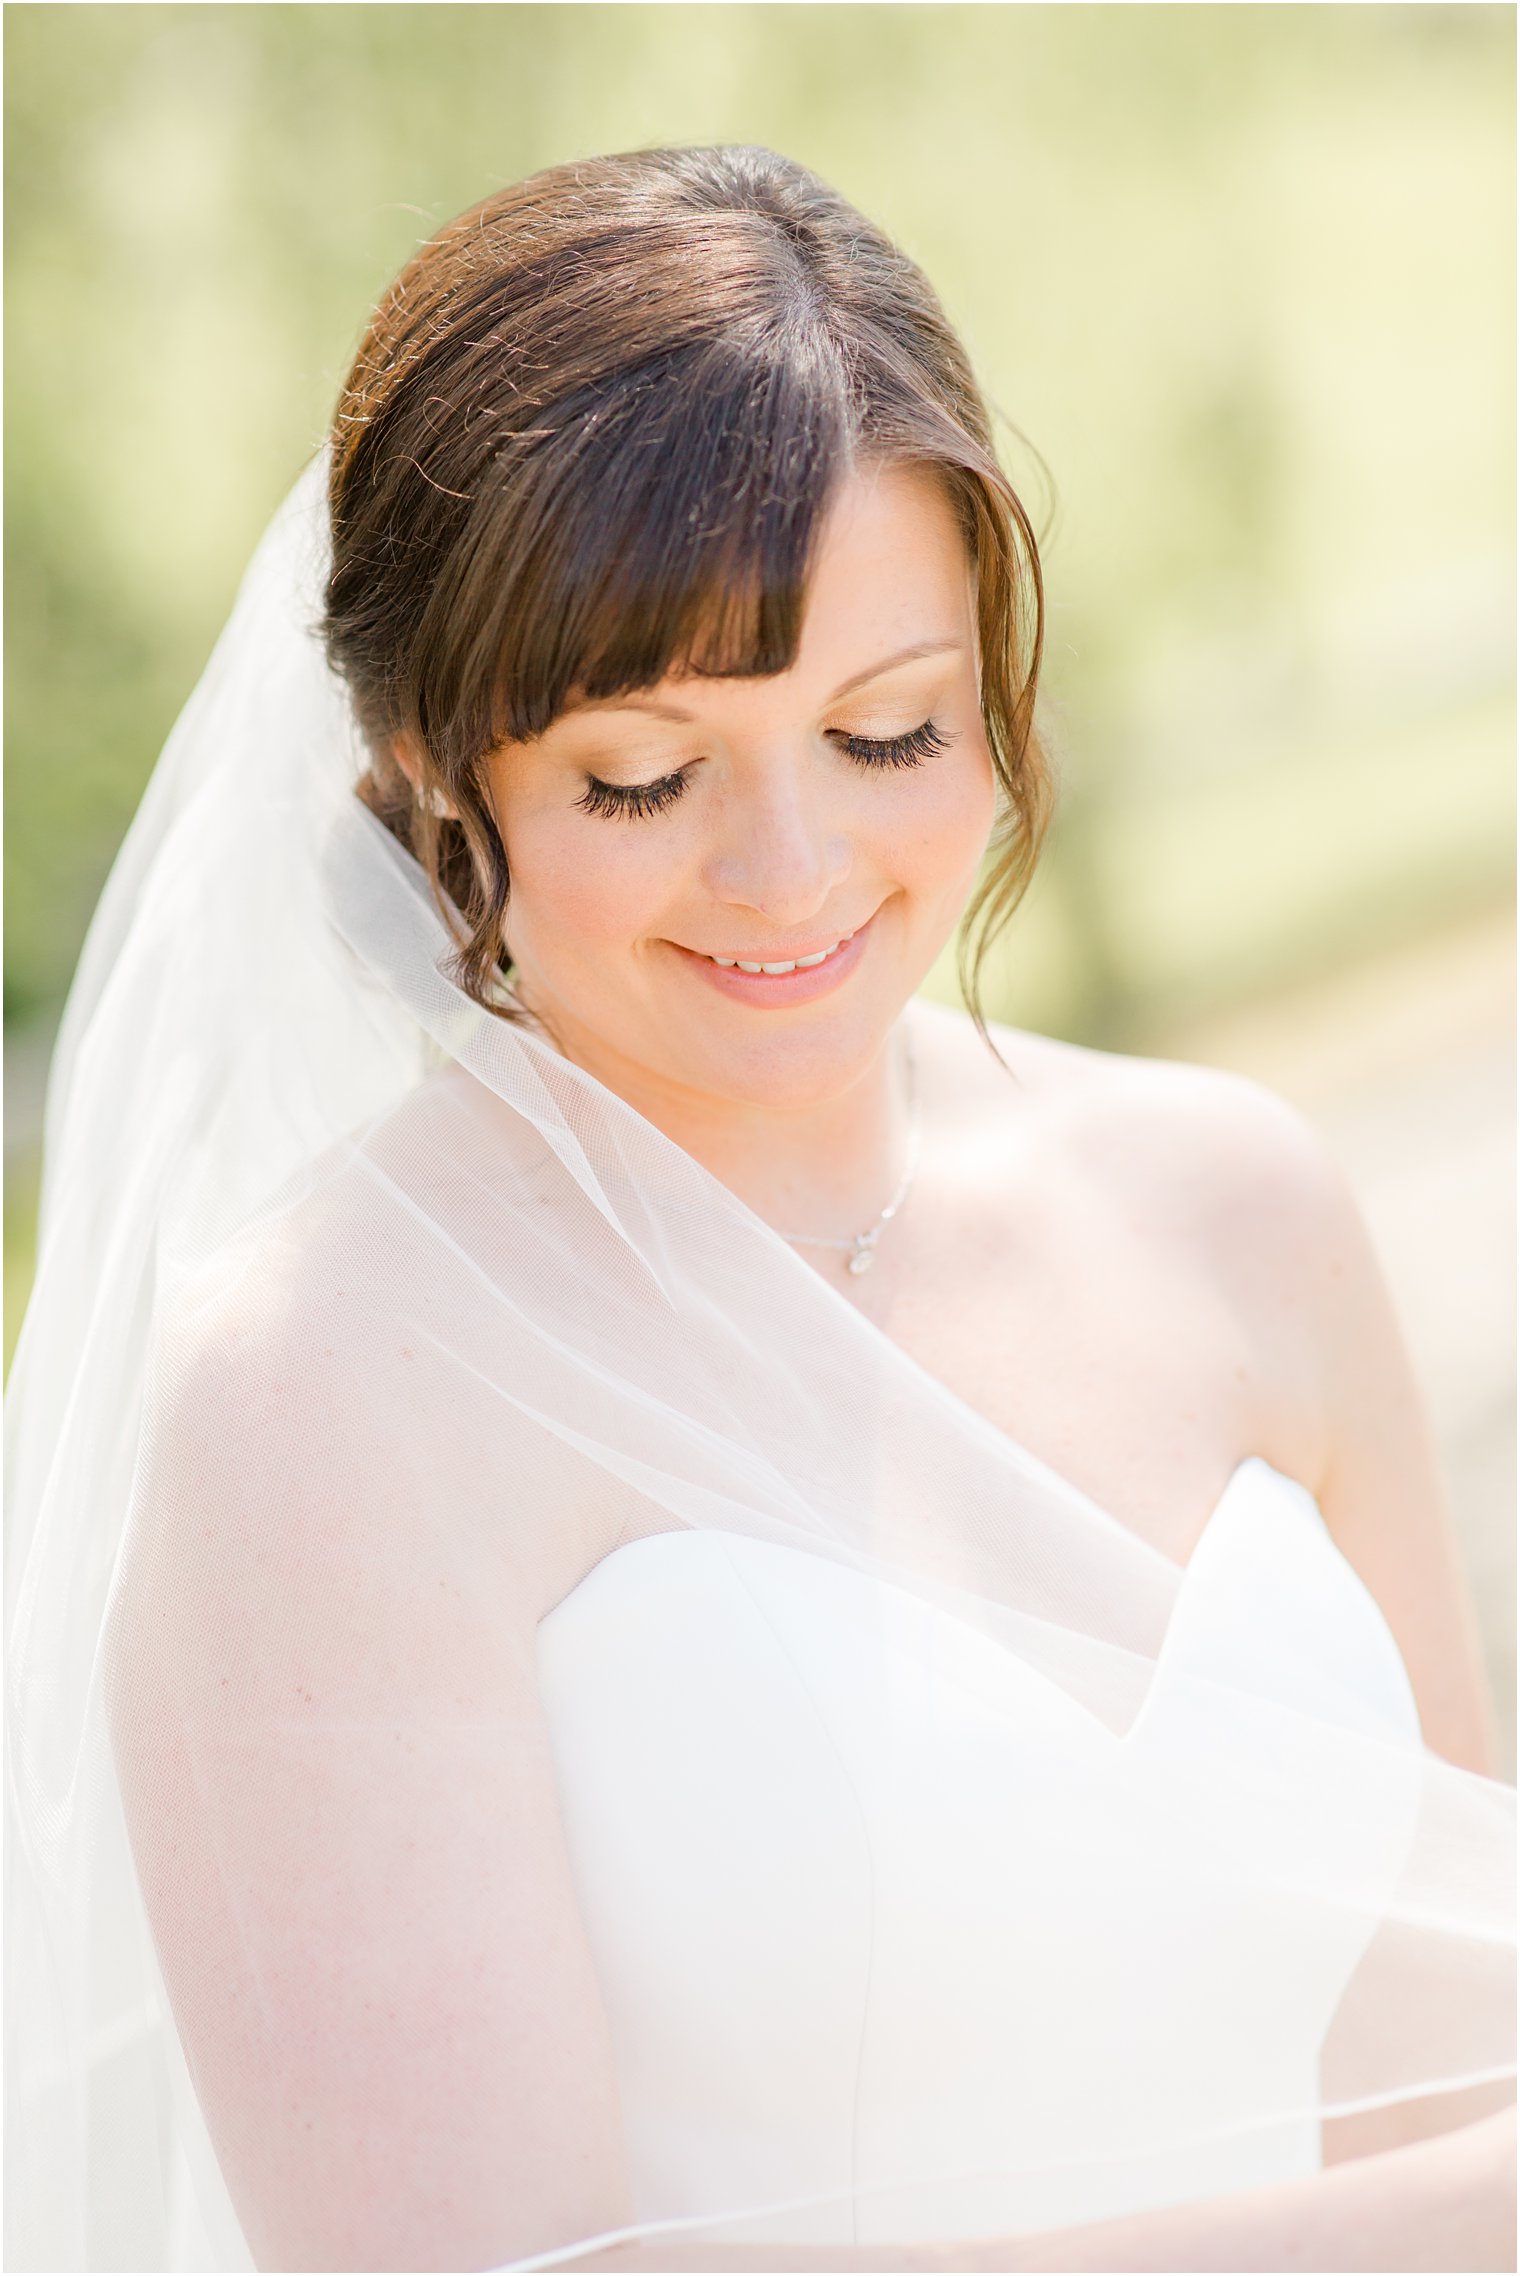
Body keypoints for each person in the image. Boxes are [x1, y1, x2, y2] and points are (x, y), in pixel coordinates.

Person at [4, 145, 1513, 2276]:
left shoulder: (1235, 1207)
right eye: (644, 772)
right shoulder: (325, 1394)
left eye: (886, 730)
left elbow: (1452, 2067)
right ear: (441, 773)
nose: (791, 868)